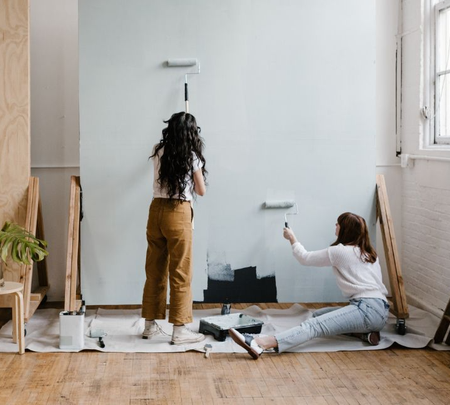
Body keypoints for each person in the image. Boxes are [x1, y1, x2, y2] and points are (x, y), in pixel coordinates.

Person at [230, 212, 389, 359]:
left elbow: (304, 258)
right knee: (319, 315)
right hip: (381, 311)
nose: (335, 226)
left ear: (345, 229)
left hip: (366, 309)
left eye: (337, 224)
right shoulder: (368, 253)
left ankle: (261, 343)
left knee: (314, 325)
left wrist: (292, 237)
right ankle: (366, 335)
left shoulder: (340, 251)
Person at [141, 112, 208, 345]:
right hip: (178, 212)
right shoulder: (191, 156)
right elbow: (201, 191)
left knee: (154, 269)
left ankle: (149, 325)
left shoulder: (158, 150)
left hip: (155, 211)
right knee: (180, 272)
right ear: (191, 132)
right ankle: (179, 330)